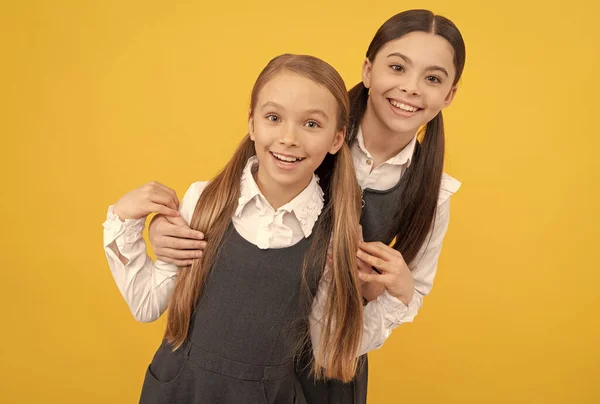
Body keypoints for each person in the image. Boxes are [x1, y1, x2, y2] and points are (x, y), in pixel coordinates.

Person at [146, 9, 467, 403]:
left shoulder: (432, 193)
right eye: (397, 67)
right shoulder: (308, 125)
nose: (411, 88)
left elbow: (412, 289)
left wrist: (399, 287)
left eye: (432, 78)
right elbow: (230, 199)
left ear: (449, 94)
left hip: (329, 362)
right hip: (249, 352)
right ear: (368, 70)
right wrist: (167, 233)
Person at [103, 54, 366, 403]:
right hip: (179, 390)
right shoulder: (204, 200)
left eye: (311, 124)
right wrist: (123, 219)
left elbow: (325, 345)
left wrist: (382, 295)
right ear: (253, 124)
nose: (289, 138)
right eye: (274, 118)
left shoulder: (332, 233)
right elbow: (147, 304)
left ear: (336, 139)